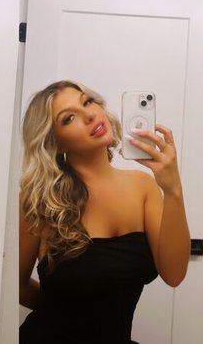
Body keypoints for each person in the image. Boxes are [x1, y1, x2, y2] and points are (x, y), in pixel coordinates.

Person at [19, 81, 190, 343]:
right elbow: (16, 285)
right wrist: (64, 311)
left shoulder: (143, 186)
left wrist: (173, 189)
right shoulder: (41, 200)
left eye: (87, 102)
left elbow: (174, 274)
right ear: (56, 143)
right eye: (69, 118)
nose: (89, 115)